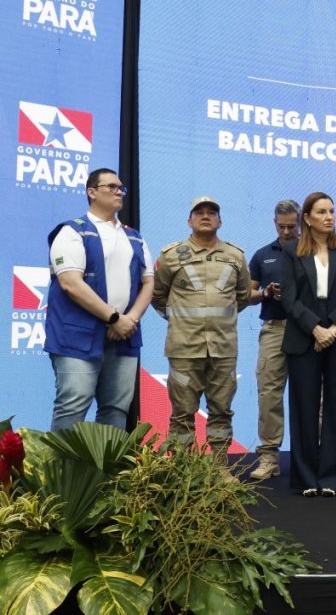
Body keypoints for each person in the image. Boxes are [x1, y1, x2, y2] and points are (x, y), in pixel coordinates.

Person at [46, 168, 154, 431]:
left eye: (121, 188)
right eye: (111, 187)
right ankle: (63, 473)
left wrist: (130, 320)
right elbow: (70, 283)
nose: (119, 192)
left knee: (116, 409)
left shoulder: (134, 236)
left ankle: (106, 472)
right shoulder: (72, 231)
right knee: (73, 404)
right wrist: (114, 318)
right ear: (91, 192)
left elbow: (149, 281)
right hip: (77, 337)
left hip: (123, 337)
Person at [152, 196, 251, 467]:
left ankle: (219, 468)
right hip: (184, 348)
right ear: (189, 220)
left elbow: (241, 297)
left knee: (221, 411)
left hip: (223, 348)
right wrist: (181, 323)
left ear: (220, 220)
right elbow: (157, 296)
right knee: (182, 413)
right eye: (199, 212)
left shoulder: (235, 256)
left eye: (212, 212)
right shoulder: (171, 256)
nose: (205, 216)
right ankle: (185, 472)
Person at [280, 192, 336, 496]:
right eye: (322, 212)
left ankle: (334, 479)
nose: (329, 217)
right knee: (303, 406)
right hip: (304, 336)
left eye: (332, 211)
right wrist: (315, 328)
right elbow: (288, 297)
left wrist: (332, 328)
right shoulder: (291, 251)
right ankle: (305, 479)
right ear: (307, 218)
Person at [246, 199, 300, 481]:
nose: (288, 231)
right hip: (275, 328)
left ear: (300, 222)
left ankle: (313, 457)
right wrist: (265, 293)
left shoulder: (313, 252)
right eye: (282, 227)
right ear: (274, 223)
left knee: (315, 394)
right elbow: (246, 295)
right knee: (269, 393)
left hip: (306, 329)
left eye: (292, 226)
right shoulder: (262, 255)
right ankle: (269, 458)